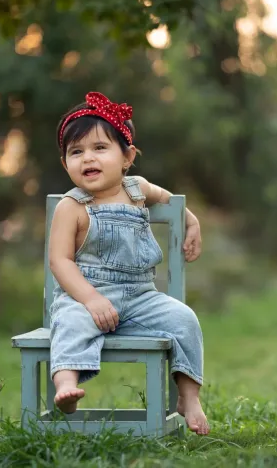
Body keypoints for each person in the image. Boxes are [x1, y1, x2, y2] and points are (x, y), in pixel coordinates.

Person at [48, 92, 210, 435]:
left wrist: (191, 221)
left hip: (141, 296)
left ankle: (189, 396)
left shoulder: (137, 189)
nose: (87, 158)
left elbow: (171, 200)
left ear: (127, 157)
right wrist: (90, 299)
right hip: (88, 295)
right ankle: (66, 385)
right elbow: (60, 261)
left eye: (99, 148)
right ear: (66, 164)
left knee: (185, 319)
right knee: (69, 321)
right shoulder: (71, 206)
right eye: (76, 152)